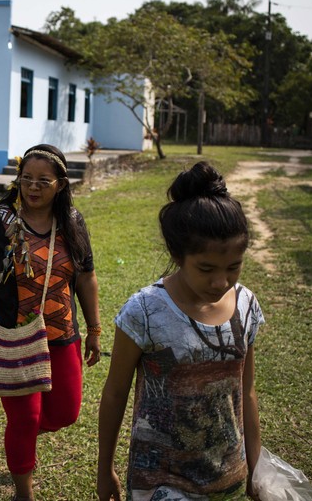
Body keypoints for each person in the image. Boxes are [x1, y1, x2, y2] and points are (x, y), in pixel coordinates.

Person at [97, 161, 264, 501]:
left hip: (227, 475)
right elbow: (115, 393)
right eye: (206, 269)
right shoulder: (144, 312)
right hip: (161, 482)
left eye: (234, 267)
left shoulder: (246, 306)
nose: (221, 282)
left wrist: (256, 466)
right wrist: (105, 468)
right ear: (177, 254)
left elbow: (246, 392)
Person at [0, 144, 102, 501]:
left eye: (43, 181)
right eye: (27, 180)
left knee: (65, 413)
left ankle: (19, 438)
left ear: (61, 185)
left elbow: (86, 278)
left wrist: (95, 329)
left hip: (60, 335)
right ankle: (24, 491)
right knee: (24, 419)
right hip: (8, 334)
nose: (33, 188)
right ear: (18, 180)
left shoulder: (73, 222)